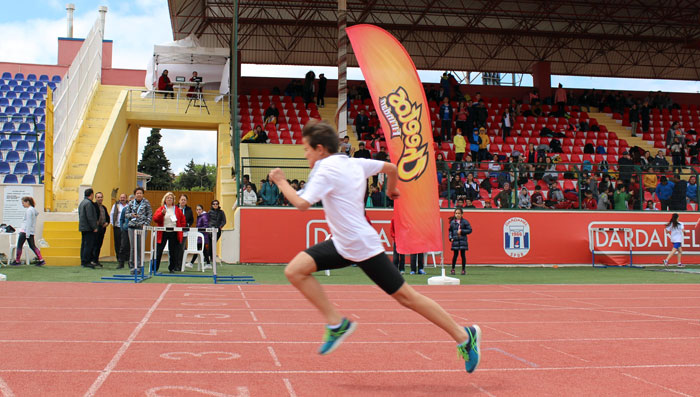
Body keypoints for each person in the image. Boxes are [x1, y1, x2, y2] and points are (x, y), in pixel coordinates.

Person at [268, 120, 480, 372]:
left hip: (362, 246)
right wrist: (392, 191)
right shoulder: (354, 162)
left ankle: (465, 337)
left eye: (306, 149)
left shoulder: (325, 169)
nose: (305, 155)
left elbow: (302, 204)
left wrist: (280, 181)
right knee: (295, 270)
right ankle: (336, 324)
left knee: (407, 298)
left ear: (321, 149)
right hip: (342, 243)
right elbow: (391, 168)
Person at [152, 192, 187, 273]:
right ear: (165, 199)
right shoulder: (161, 209)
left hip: (174, 232)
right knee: (159, 251)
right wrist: (162, 214)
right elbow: (155, 219)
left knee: (173, 251)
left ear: (173, 200)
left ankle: (172, 268)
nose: (169, 199)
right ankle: (155, 268)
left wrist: (180, 228)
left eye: (171, 198)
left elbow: (182, 220)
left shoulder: (177, 209)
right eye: (168, 198)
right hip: (163, 232)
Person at [9, 197, 45, 266]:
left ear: (27, 202)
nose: (22, 204)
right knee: (32, 246)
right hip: (30, 231)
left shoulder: (29, 211)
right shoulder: (33, 210)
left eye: (23, 203)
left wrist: (27, 233)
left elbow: (28, 222)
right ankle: (41, 259)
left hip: (25, 231)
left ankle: (17, 261)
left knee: (19, 245)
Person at [125, 187, 152, 273]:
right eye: (137, 193)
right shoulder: (131, 203)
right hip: (132, 227)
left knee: (140, 247)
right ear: (135, 194)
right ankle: (132, 266)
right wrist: (132, 215)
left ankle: (140, 266)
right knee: (133, 247)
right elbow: (126, 214)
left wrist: (146, 224)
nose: (139, 194)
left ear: (143, 194)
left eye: (140, 193)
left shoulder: (146, 202)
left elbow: (149, 214)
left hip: (142, 227)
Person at [448, 208, 472, 275]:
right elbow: (450, 231)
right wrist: (450, 238)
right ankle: (453, 269)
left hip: (462, 241)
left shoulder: (465, 222)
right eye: (456, 213)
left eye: (459, 213)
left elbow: (470, 230)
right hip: (455, 241)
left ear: (462, 214)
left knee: (463, 255)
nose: (457, 215)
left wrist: (462, 231)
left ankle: (463, 269)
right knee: (455, 255)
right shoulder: (453, 222)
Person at [78, 188, 97, 269]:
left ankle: (83, 260)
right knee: (88, 245)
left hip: (83, 226)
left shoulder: (82, 203)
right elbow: (90, 216)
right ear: (91, 194)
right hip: (88, 227)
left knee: (84, 244)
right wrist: (94, 227)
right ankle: (86, 261)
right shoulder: (89, 204)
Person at [110, 193, 129, 269]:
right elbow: (111, 214)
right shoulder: (115, 205)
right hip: (117, 226)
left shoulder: (129, 205)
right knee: (118, 243)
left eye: (124, 197)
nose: (122, 199)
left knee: (126, 244)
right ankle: (119, 259)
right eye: (121, 197)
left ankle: (126, 259)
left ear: (126, 198)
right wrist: (113, 224)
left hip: (126, 227)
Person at [91, 192, 109, 268]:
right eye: (98, 197)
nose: (100, 198)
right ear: (96, 198)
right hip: (95, 229)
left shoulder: (104, 207)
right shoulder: (93, 206)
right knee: (94, 245)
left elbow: (108, 217)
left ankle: (96, 260)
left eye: (101, 197)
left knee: (99, 245)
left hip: (102, 228)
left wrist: (107, 223)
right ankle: (92, 260)